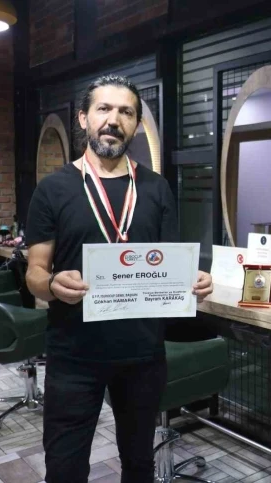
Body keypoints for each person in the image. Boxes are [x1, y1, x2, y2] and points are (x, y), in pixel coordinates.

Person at [25, 74, 214, 483]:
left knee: (139, 465)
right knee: (64, 468)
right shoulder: (53, 189)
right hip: (74, 355)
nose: (113, 120)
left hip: (142, 355)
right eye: (104, 109)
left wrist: (194, 281)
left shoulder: (157, 188)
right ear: (83, 118)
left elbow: (169, 264)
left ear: (135, 124)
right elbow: (34, 273)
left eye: (126, 112)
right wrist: (52, 285)